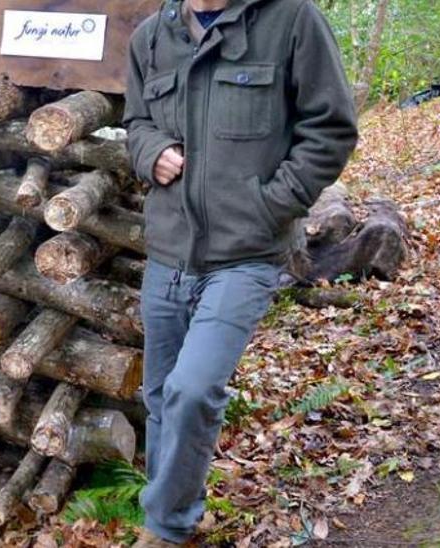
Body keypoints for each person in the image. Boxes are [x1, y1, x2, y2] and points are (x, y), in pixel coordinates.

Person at [123, 0, 358, 545]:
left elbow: (331, 127)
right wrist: (150, 151)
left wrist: (274, 204)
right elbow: (134, 120)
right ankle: (173, 515)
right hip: (168, 250)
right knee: (160, 397)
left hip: (246, 253)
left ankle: (164, 527)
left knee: (193, 388)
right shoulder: (151, 37)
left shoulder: (293, 21)